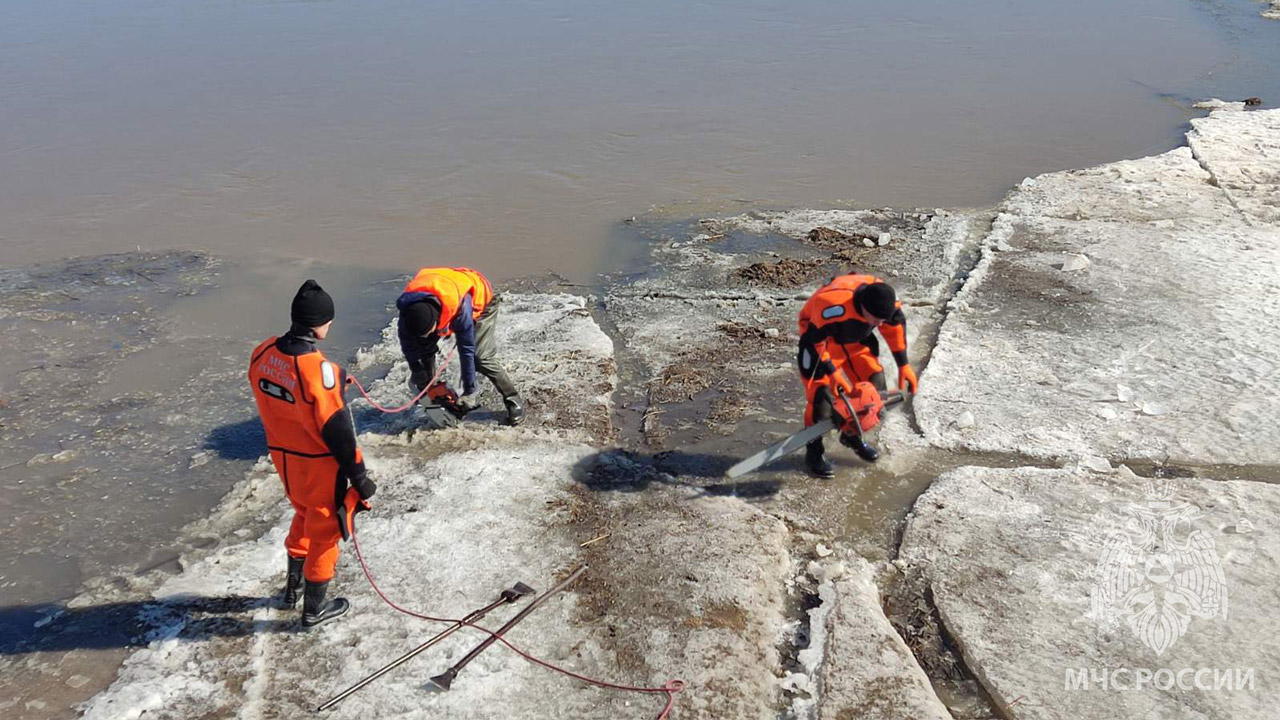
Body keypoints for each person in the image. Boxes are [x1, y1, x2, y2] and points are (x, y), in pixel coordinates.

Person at [248, 279, 376, 627]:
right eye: (328, 321)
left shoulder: (262, 352)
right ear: (321, 324)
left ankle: (291, 591)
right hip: (320, 466)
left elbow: (288, 385)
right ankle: (314, 610)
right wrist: (360, 478)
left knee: (303, 514)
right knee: (324, 531)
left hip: (284, 458)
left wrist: (336, 377)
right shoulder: (319, 373)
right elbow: (339, 433)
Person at [796, 274, 919, 478]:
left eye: (883, 319)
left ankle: (851, 435)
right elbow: (814, 341)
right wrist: (833, 374)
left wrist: (903, 365)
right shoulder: (831, 307)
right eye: (876, 319)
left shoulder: (884, 302)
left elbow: (894, 328)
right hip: (821, 344)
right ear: (862, 307)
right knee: (821, 400)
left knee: (873, 388)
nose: (880, 324)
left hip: (855, 341)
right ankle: (814, 453)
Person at [396, 266, 524, 425]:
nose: (428, 335)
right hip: (442, 298)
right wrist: (417, 370)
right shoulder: (408, 314)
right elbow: (408, 343)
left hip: (481, 302)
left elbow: (467, 350)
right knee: (423, 349)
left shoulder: (460, 309)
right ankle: (433, 395)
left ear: (437, 321)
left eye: (430, 331)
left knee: (481, 358)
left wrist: (470, 391)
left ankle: (513, 400)